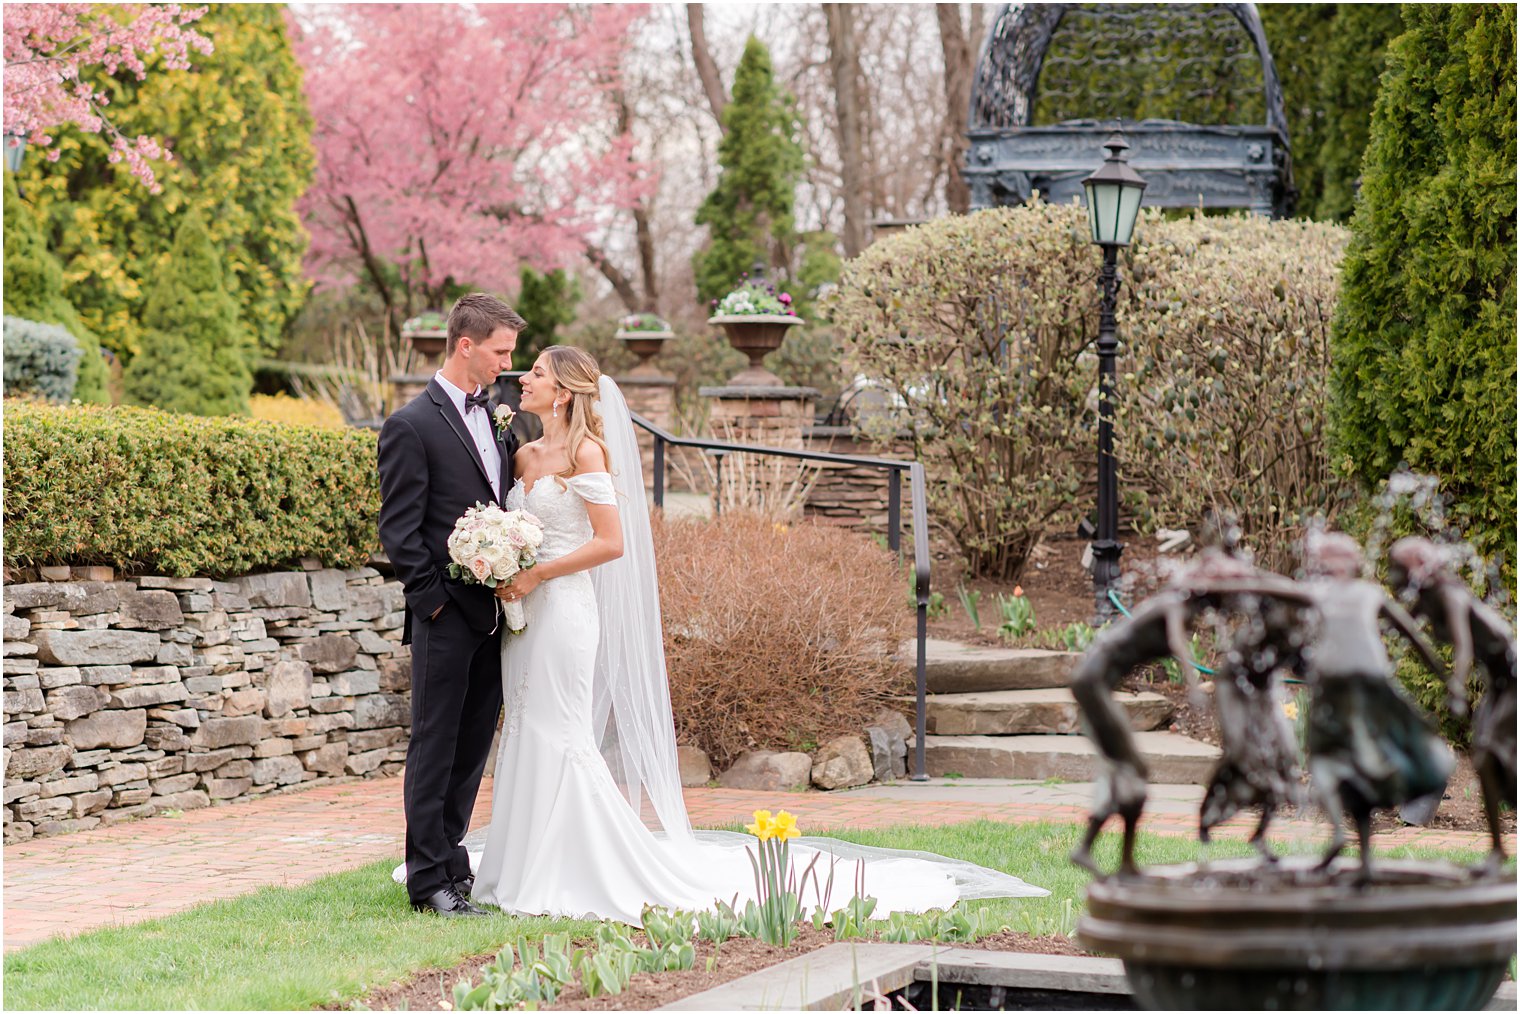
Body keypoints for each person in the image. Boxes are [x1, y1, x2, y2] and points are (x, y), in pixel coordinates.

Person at [461, 345, 1047, 922]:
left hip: (564, 612)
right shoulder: (523, 454)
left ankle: (577, 866)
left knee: (562, 731)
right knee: (527, 725)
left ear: (564, 391)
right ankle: (520, 862)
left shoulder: (587, 453)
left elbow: (611, 544)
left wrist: (539, 571)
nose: (522, 379)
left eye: (535, 372)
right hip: (524, 618)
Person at [377, 293, 524, 917]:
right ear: (466, 345)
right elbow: (400, 532)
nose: (508, 365)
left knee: (469, 751)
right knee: (434, 747)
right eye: (500, 352)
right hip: (444, 618)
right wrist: (433, 605)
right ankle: (426, 880)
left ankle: (453, 861)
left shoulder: (499, 416)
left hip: (494, 615)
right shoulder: (410, 424)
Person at [1387, 537, 1516, 872]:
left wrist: (1456, 688)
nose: (1394, 577)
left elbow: (1464, 649)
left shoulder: (1451, 594)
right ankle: (1498, 852)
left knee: (1489, 756)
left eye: (1398, 570)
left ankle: (1498, 851)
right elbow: (1402, 627)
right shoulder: (1427, 599)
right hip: (1499, 683)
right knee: (1488, 761)